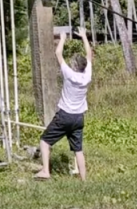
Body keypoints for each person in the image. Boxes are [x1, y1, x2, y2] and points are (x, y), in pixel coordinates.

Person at [35, 26, 93, 182]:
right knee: (78, 150)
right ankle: (84, 180)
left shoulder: (69, 74)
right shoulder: (87, 76)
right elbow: (89, 54)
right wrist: (84, 37)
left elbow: (58, 53)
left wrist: (62, 38)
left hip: (65, 115)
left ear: (74, 66)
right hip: (78, 117)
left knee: (45, 141)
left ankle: (46, 171)